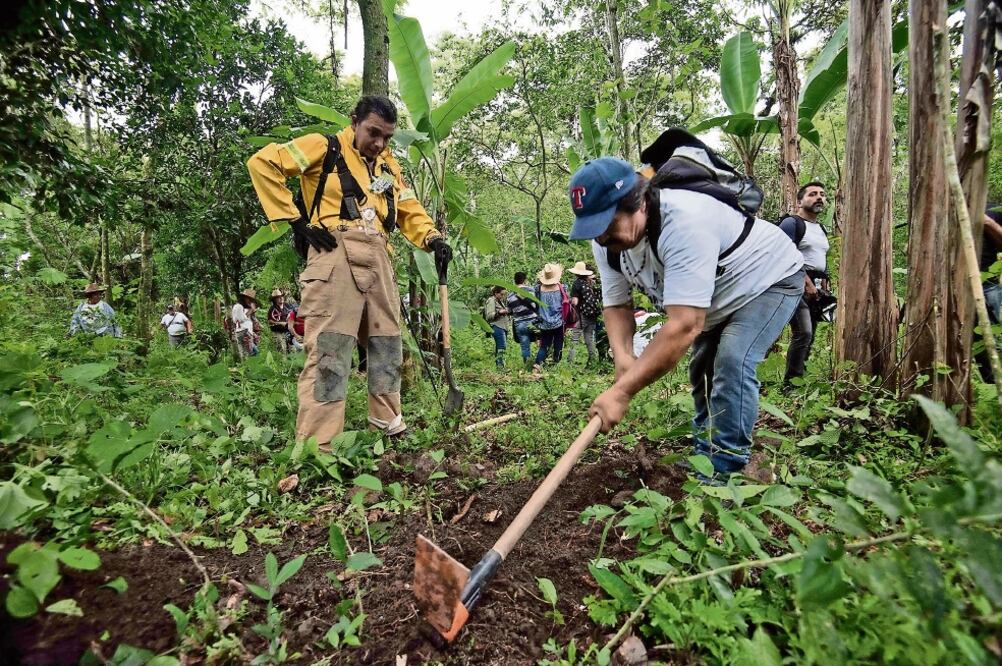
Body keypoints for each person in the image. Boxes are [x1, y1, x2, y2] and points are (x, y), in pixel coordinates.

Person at [568, 157, 804, 482]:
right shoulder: (606, 241)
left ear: (638, 202)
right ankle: (705, 455)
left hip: (768, 279)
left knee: (733, 361)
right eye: (594, 228)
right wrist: (623, 358)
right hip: (716, 296)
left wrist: (621, 393)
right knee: (702, 371)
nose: (603, 236)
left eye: (608, 223)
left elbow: (683, 326)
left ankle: (727, 469)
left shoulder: (684, 220)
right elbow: (617, 306)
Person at [247, 95, 452, 445]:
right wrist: (296, 221)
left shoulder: (387, 167)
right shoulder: (322, 147)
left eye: (387, 136)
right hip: (334, 253)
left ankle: (387, 426)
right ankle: (319, 443)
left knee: (386, 344)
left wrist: (432, 238)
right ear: (354, 121)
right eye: (373, 132)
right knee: (331, 348)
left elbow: (406, 207)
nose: (379, 143)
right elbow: (263, 163)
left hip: (380, 255)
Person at [778, 182, 831, 385]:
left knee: (811, 333)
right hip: (793, 284)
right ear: (799, 201)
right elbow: (784, 255)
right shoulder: (792, 224)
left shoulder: (821, 229)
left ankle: (799, 380)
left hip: (815, 286)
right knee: (803, 331)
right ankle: (791, 384)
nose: (819, 197)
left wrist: (823, 283)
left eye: (822, 194)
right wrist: (805, 281)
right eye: (812, 194)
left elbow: (818, 258)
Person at [975, 206, 1002, 383]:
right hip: (955, 289)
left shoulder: (993, 209)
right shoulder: (943, 209)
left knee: (997, 338)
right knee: (980, 347)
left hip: (988, 285)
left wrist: (986, 221)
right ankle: (994, 390)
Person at [533, 263, 567, 370]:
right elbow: (566, 303)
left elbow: (535, 304)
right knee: (558, 345)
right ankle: (555, 366)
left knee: (544, 345)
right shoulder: (562, 287)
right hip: (558, 322)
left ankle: (537, 365)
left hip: (544, 323)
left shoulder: (538, 289)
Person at [568, 261, 602, 367]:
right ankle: (592, 360)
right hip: (592, 313)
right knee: (589, 337)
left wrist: (569, 301)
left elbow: (575, 302)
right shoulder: (590, 282)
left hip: (581, 315)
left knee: (575, 337)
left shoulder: (577, 284)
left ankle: (570, 362)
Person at [507, 271, 537, 365]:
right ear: (525, 280)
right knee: (541, 342)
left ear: (515, 281)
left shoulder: (510, 295)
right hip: (533, 321)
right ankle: (540, 363)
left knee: (525, 346)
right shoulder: (531, 290)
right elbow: (536, 304)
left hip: (519, 323)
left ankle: (527, 365)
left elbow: (510, 311)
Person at [484, 286, 510, 369]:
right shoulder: (491, 300)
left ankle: (499, 366)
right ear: (496, 293)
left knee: (500, 347)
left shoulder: (499, 301)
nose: (503, 296)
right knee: (502, 347)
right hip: (497, 326)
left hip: (503, 327)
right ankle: (500, 367)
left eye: (504, 294)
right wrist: (499, 312)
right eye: (501, 294)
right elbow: (489, 316)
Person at [232, 288, 260, 359]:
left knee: (249, 353)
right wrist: (251, 310)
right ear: (245, 298)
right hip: (244, 332)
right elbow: (241, 319)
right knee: (248, 354)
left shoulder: (241, 307)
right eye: (249, 299)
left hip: (244, 332)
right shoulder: (239, 306)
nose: (250, 301)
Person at [267, 288, 293, 354]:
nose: (281, 298)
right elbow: (270, 321)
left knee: (292, 349)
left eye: (281, 296)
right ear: (275, 300)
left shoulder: (287, 306)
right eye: (278, 297)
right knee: (282, 349)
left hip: (288, 331)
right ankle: (283, 363)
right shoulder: (272, 309)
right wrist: (279, 323)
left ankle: (293, 363)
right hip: (278, 332)